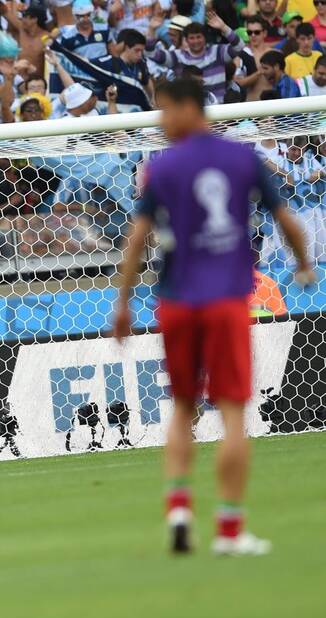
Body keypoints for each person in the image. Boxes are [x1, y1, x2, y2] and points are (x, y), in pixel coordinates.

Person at [112, 78, 317, 557]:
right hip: (226, 301)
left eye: (165, 111)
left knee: (183, 408)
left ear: (189, 107)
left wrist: (122, 303)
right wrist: (303, 263)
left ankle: (180, 508)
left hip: (178, 301)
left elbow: (137, 238)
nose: (161, 122)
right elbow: (286, 218)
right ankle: (229, 530)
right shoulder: (242, 159)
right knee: (230, 415)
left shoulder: (162, 168)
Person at [149, 14, 244, 103]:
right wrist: (152, 30)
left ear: (205, 38)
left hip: (218, 112)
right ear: (186, 39)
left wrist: (224, 27)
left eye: (199, 37)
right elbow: (151, 54)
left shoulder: (218, 51)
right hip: (191, 114)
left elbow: (239, 46)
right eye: (192, 38)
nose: (196, 41)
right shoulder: (177, 57)